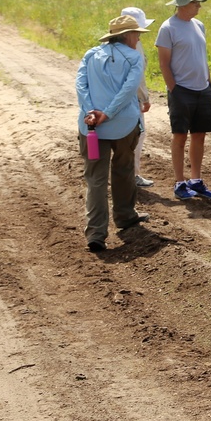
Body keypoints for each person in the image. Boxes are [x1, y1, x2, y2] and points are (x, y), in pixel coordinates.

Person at [76, 15, 150, 252]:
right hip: (123, 125)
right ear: (127, 35)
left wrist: (91, 111)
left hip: (91, 128)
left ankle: (96, 232)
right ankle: (125, 216)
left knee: (95, 179)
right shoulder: (133, 58)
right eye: (136, 34)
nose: (138, 37)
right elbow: (129, 91)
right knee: (123, 170)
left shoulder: (90, 55)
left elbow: (80, 85)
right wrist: (107, 114)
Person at [155, 0, 211, 201]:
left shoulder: (199, 25)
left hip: (202, 88)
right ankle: (179, 182)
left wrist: (208, 83)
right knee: (180, 136)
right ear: (182, 5)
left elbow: (201, 56)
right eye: (195, 2)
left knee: (199, 135)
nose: (199, 5)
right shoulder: (168, 28)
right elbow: (163, 63)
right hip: (182, 90)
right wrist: (174, 89)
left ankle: (196, 180)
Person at [120, 6, 156, 187]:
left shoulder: (108, 46)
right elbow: (139, 76)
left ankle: (121, 175)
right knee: (137, 135)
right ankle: (131, 175)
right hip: (132, 100)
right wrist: (145, 98)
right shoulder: (136, 47)